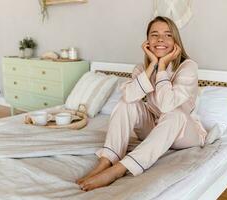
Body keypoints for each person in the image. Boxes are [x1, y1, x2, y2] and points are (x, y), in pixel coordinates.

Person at [77, 16, 208, 191]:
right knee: (127, 103)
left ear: (176, 41)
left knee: (175, 114)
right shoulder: (141, 69)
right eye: (154, 35)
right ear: (147, 41)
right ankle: (106, 161)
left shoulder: (188, 67)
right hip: (155, 127)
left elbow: (167, 106)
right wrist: (152, 65)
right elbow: (128, 97)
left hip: (184, 133)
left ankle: (119, 169)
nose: (160, 39)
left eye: (168, 35)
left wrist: (162, 68)